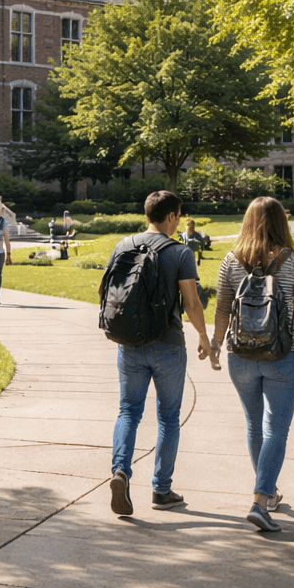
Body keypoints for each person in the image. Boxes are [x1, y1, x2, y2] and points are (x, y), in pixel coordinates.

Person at [211, 197, 294, 532]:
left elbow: (222, 309)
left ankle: (269, 494)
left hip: (241, 354)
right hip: (284, 353)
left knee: (254, 425)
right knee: (277, 429)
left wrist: (216, 344)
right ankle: (261, 500)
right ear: (281, 223)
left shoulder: (230, 261)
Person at [106, 190, 214, 517]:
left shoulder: (123, 245)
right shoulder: (180, 252)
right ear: (169, 217)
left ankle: (121, 472)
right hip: (167, 344)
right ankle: (161, 490)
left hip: (130, 345)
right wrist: (203, 336)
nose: (179, 221)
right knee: (168, 417)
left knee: (128, 411)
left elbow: (105, 290)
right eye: (177, 216)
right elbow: (192, 303)